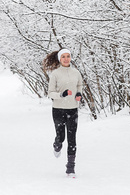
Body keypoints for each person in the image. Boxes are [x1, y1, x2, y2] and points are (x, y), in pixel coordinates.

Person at [43, 48, 83, 177]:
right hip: (58, 109)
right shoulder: (55, 74)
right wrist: (62, 94)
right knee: (61, 137)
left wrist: (78, 94)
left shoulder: (76, 72)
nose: (66, 59)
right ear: (59, 59)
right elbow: (50, 93)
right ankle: (57, 144)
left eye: (68, 56)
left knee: (72, 139)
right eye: (63, 57)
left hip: (72, 109)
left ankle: (70, 168)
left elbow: (79, 86)